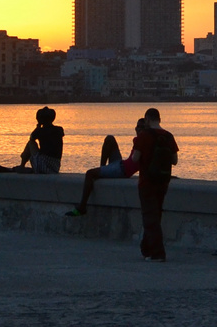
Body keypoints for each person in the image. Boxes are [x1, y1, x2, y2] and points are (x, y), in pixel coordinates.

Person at [68, 123, 145, 216]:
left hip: (122, 170)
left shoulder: (142, 142)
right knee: (110, 139)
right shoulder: (139, 140)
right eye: (137, 127)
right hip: (120, 163)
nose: (137, 129)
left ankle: (82, 207)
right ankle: (103, 168)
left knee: (90, 174)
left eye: (140, 128)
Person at [134, 108, 179, 262]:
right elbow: (175, 160)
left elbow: (134, 159)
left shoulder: (143, 136)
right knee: (156, 214)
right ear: (159, 119)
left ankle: (158, 253)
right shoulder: (168, 136)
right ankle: (146, 249)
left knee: (149, 216)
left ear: (147, 119)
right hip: (163, 181)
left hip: (147, 181)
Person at [20, 107, 64, 173]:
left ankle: (22, 165)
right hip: (55, 167)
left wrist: (38, 126)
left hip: (43, 166)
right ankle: (22, 166)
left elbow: (32, 137)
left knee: (31, 143)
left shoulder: (40, 131)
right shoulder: (59, 129)